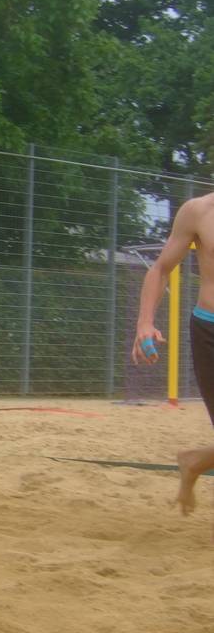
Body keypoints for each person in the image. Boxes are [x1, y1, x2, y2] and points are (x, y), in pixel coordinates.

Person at [133, 192, 214, 522]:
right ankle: (194, 462)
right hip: (210, 331)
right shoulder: (198, 211)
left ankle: (195, 461)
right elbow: (161, 268)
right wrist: (145, 323)